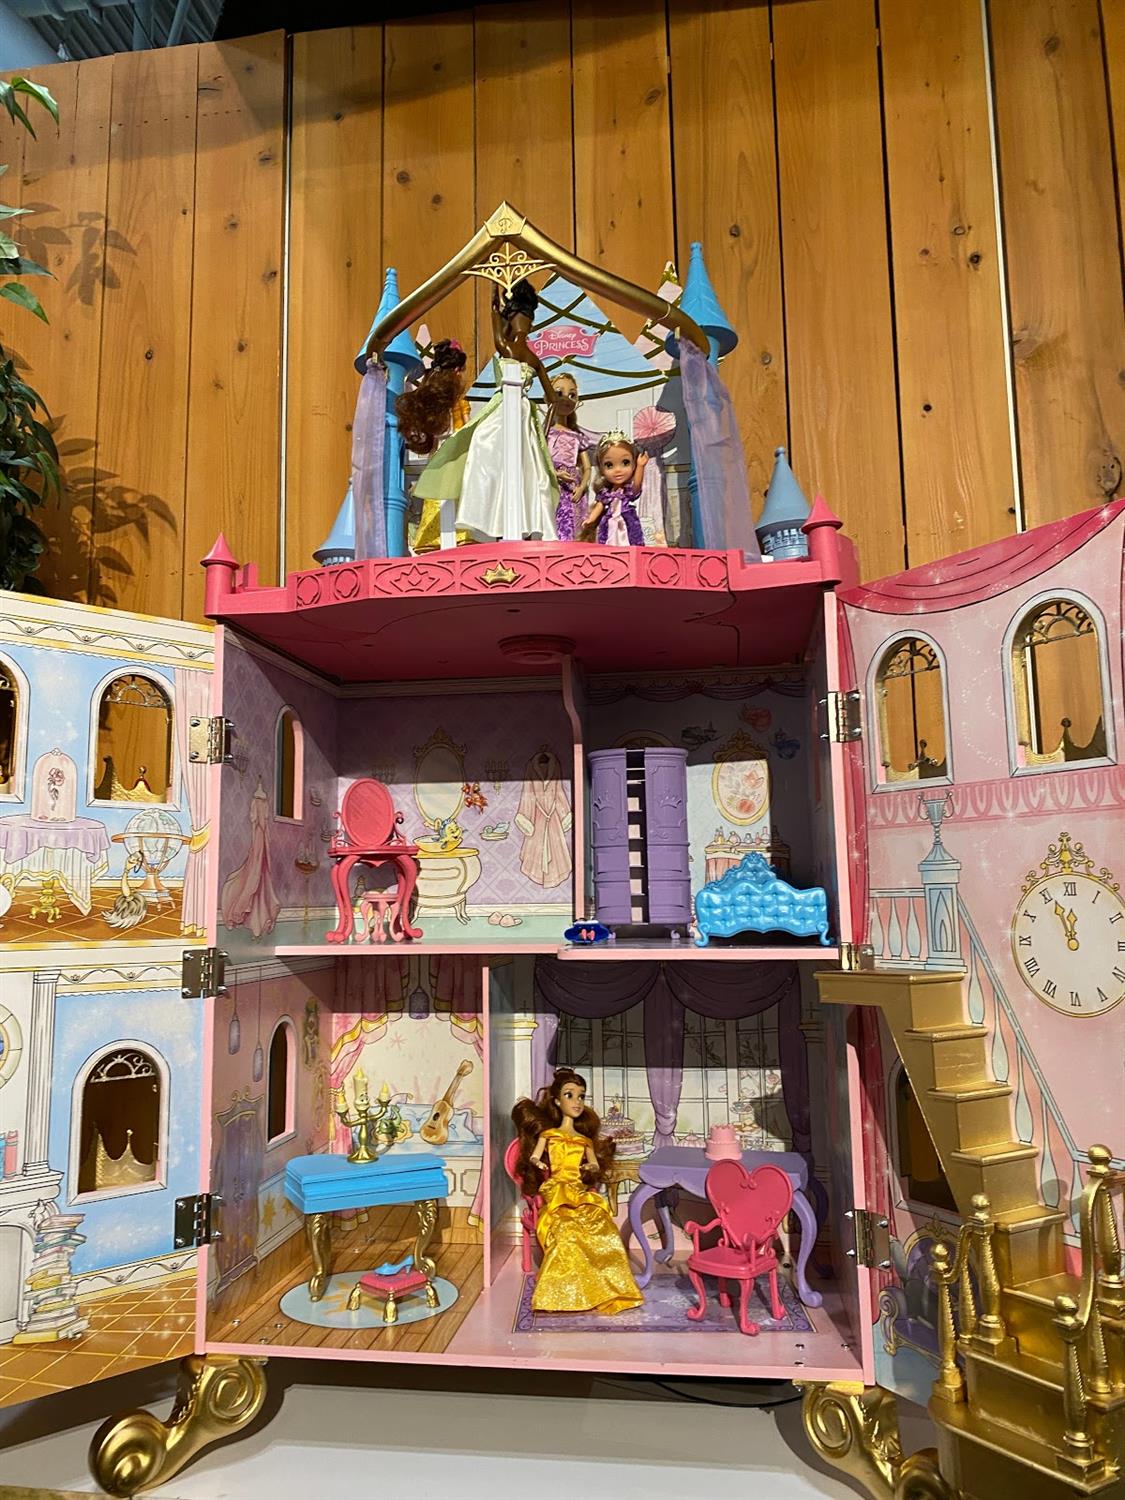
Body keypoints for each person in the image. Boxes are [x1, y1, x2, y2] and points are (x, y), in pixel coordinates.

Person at [512, 1067, 643, 1315]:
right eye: (569, 1095)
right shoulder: (549, 1135)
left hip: (580, 1190)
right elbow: (534, 1157)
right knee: (566, 1230)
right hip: (557, 1189)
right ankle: (563, 1295)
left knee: (603, 1229)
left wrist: (590, 1166)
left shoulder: (584, 1140)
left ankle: (606, 1289)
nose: (577, 1101)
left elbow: (594, 1163)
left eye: (581, 1096)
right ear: (556, 1100)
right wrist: (539, 1164)